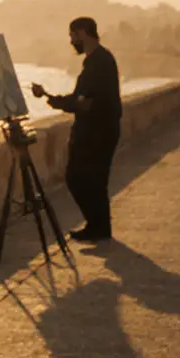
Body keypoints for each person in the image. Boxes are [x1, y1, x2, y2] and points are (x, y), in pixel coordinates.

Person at [31, 17, 122, 242]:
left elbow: (85, 102)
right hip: (100, 130)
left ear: (82, 33)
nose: (71, 41)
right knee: (94, 181)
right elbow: (81, 99)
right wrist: (51, 98)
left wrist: (54, 100)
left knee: (78, 178)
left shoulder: (98, 62)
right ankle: (99, 228)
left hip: (97, 133)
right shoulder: (97, 60)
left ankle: (97, 227)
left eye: (72, 36)